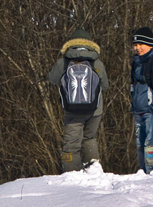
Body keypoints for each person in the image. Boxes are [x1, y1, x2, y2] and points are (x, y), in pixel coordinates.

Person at [47, 27, 109, 172]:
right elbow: (105, 86)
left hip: (72, 109)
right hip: (95, 110)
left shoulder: (63, 62)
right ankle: (94, 173)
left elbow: (52, 79)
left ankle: (71, 176)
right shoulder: (96, 62)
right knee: (89, 138)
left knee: (71, 145)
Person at [130, 26, 153, 174]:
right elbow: (133, 86)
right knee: (141, 144)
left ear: (150, 44)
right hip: (139, 110)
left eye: (141, 44)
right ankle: (144, 172)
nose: (138, 48)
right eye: (135, 45)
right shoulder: (136, 63)